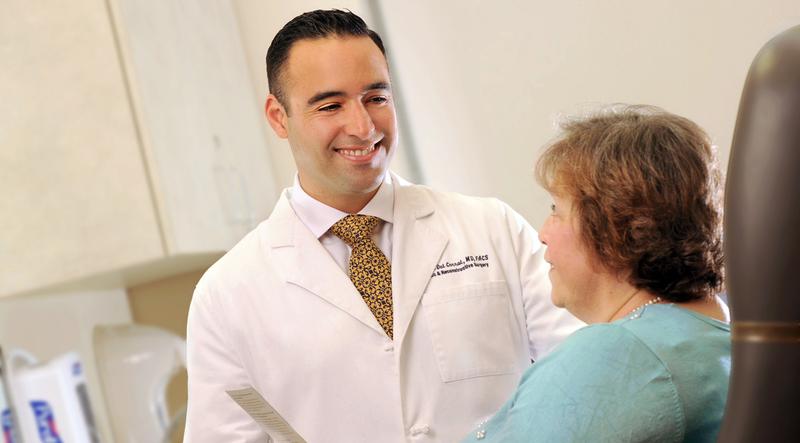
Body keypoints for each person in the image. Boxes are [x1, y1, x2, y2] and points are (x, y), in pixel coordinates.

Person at [185, 9, 582, 442]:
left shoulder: (491, 228)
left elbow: (582, 382)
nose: (363, 127)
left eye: (376, 98)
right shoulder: (226, 296)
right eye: (331, 105)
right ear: (279, 117)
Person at [461, 105, 731, 443]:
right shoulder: (706, 331)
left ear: (615, 228)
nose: (544, 233)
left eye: (556, 210)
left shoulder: (621, 353)